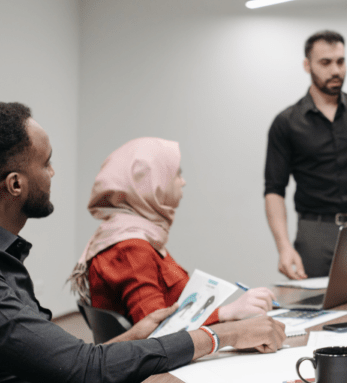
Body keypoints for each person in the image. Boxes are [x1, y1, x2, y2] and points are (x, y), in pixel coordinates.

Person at [0, 102, 286, 383]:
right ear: (15, 184)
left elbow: (66, 362)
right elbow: (85, 373)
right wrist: (220, 336)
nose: (53, 172)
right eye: (45, 162)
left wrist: (133, 336)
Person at [69, 137, 275, 326]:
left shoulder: (134, 236)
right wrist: (226, 312)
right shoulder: (130, 247)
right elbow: (155, 330)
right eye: (177, 174)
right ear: (153, 182)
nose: (183, 181)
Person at [264, 30, 347, 280]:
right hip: (315, 233)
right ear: (307, 65)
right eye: (325, 63)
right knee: (316, 312)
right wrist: (283, 247)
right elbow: (274, 190)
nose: (335, 70)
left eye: (340, 61)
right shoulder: (286, 123)